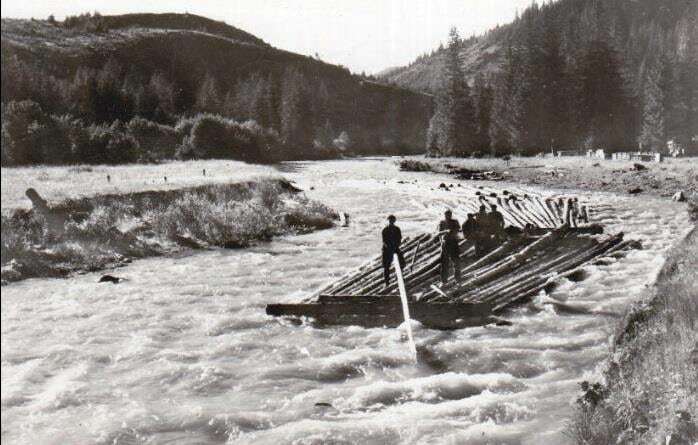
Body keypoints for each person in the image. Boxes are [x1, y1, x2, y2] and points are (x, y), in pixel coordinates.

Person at [437, 209, 461, 284]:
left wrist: (453, 231)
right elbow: (438, 233)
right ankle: (444, 281)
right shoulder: (442, 223)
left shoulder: (455, 222)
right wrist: (446, 231)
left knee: (456, 262)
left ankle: (457, 279)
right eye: (446, 215)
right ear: (444, 215)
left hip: (453, 243)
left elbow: (458, 229)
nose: (448, 216)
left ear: (451, 215)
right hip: (446, 244)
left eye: (449, 215)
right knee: (444, 263)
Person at [382, 215, 405, 287]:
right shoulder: (385, 230)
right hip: (387, 249)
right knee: (386, 266)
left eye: (392, 221)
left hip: (395, 248)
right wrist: (390, 249)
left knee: (403, 263)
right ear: (388, 221)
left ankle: (397, 276)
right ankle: (387, 282)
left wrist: (396, 247)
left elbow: (399, 239)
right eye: (390, 221)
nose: (391, 222)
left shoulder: (397, 229)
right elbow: (384, 241)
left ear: (394, 221)